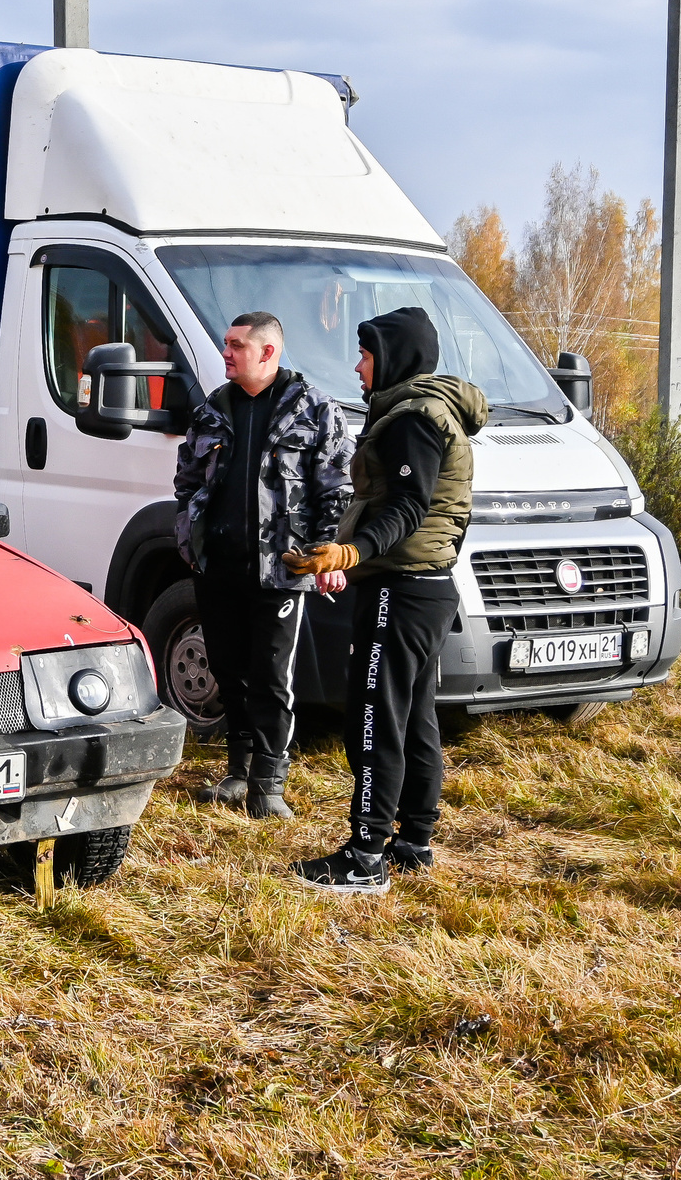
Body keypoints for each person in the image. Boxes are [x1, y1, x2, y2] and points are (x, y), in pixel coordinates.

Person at [282, 306, 488, 893]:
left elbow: (407, 507)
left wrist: (351, 554)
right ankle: (414, 841)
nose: (357, 366)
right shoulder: (433, 411)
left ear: (393, 357)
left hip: (400, 591)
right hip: (424, 587)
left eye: (366, 355)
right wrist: (347, 550)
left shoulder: (413, 420)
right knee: (415, 715)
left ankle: (365, 856)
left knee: (373, 717)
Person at [170, 311, 353, 820]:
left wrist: (323, 553)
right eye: (226, 344)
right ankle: (237, 773)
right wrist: (188, 537)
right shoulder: (212, 410)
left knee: (272, 678)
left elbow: (337, 490)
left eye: (235, 345)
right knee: (230, 673)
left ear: (267, 352)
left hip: (279, 572)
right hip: (217, 571)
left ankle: (269, 785)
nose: (225, 353)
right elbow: (186, 481)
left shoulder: (313, 409)